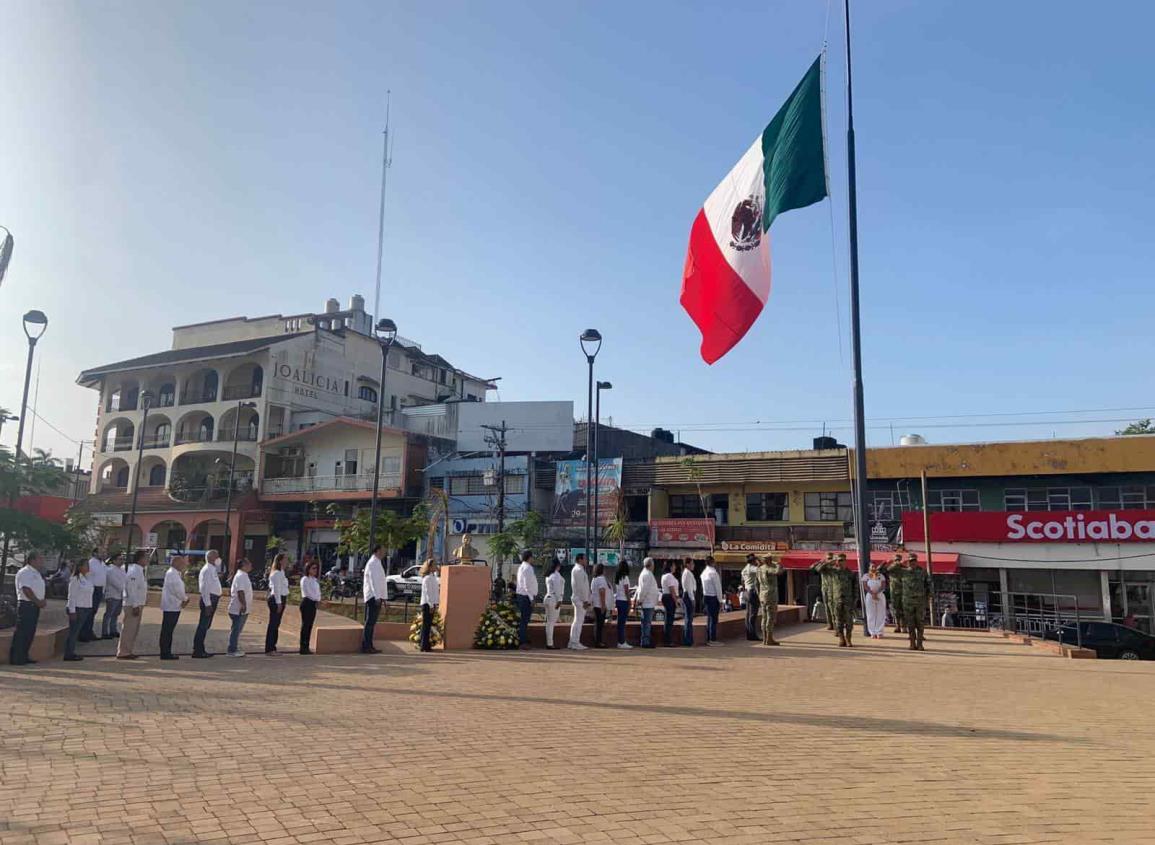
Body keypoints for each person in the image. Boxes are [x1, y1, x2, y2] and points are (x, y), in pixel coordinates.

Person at [9, 551, 47, 666]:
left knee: (30, 632)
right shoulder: (25, 572)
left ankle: (24, 655)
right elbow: (26, 589)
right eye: (40, 558)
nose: (42, 561)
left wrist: (41, 601)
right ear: (32, 560)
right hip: (27, 605)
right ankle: (17, 658)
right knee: (22, 632)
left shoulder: (36, 573)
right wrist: (37, 601)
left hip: (34, 606)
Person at [117, 550, 149, 660]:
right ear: (140, 559)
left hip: (138, 604)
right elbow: (131, 589)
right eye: (146, 557)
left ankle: (128, 650)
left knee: (133, 629)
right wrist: (135, 605)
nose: (147, 560)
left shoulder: (140, 571)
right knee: (129, 629)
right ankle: (123, 652)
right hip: (132, 605)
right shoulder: (134, 571)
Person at [193, 550, 223, 658]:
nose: (219, 559)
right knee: (203, 625)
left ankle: (200, 649)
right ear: (210, 558)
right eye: (217, 556)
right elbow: (204, 588)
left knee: (206, 625)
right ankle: (198, 650)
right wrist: (208, 604)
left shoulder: (212, 569)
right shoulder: (207, 570)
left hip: (212, 599)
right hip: (209, 600)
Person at [159, 555, 189, 660]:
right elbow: (177, 590)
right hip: (171, 605)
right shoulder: (172, 574)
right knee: (167, 630)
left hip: (173, 605)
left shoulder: (175, 573)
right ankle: (165, 652)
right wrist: (185, 599)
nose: (184, 565)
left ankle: (166, 651)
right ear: (175, 563)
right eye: (182, 563)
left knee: (168, 630)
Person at [64, 559, 94, 662]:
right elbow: (71, 596)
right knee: (73, 632)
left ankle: (71, 651)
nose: (88, 567)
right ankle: (68, 653)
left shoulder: (87, 578)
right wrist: (72, 611)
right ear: (80, 567)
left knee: (76, 631)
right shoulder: (75, 579)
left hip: (85, 607)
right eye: (86, 565)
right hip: (77, 608)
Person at [901, 553, 932, 651]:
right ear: (908, 562)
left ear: (916, 561)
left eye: (914, 561)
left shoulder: (923, 572)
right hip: (908, 602)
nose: (912, 563)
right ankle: (912, 643)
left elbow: (929, 585)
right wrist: (898, 563)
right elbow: (885, 571)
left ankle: (920, 644)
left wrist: (929, 597)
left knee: (920, 623)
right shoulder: (903, 572)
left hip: (920, 602)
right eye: (910, 561)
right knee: (910, 624)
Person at [362, 544, 386, 654]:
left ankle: (369, 645)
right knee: (370, 622)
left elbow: (380, 582)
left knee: (372, 622)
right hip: (373, 596)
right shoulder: (373, 563)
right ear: (377, 551)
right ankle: (366, 646)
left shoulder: (377, 562)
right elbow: (374, 582)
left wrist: (382, 596)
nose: (384, 552)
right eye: (383, 550)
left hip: (377, 596)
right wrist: (377, 596)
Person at [227, 557, 253, 657]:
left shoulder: (243, 575)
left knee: (237, 630)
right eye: (249, 564)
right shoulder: (241, 576)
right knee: (236, 629)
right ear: (244, 565)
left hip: (241, 609)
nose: (251, 566)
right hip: (238, 609)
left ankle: (234, 646)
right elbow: (240, 591)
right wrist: (243, 604)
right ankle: (231, 649)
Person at [265, 552, 289, 655]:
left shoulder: (281, 572)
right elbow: (276, 589)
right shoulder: (277, 573)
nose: (287, 561)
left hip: (281, 598)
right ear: (280, 560)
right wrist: (279, 603)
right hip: (276, 599)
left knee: (276, 624)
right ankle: (270, 648)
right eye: (285, 559)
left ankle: (272, 647)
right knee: (273, 624)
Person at [79, 547, 105, 642]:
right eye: (101, 552)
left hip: (99, 589)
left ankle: (89, 631)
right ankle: (83, 633)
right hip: (92, 589)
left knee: (93, 612)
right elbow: (87, 576)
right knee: (88, 612)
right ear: (95, 553)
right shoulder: (91, 563)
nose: (103, 554)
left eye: (104, 552)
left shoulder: (102, 564)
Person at [757, 554, 783, 646]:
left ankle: (764, 638)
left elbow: (757, 584)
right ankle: (769, 638)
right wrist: (779, 564)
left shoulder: (760, 569)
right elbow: (778, 572)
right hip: (770, 595)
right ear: (769, 560)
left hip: (762, 595)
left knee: (764, 617)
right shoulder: (768, 569)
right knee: (770, 617)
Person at [514, 549, 537, 650]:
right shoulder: (528, 568)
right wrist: (532, 598)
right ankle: (522, 641)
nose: (533, 559)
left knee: (524, 619)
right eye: (532, 557)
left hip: (522, 595)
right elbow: (527, 585)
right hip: (526, 596)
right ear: (529, 557)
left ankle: (523, 639)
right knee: (524, 620)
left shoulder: (521, 567)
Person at [567, 553, 591, 651]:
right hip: (580, 599)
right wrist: (585, 600)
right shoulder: (579, 570)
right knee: (578, 621)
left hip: (579, 598)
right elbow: (581, 588)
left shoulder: (578, 570)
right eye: (585, 559)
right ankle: (575, 642)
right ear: (580, 560)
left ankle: (573, 641)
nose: (586, 561)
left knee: (577, 621)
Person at [635, 558, 660, 649]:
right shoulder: (647, 574)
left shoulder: (647, 574)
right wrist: (640, 600)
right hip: (647, 602)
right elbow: (643, 589)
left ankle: (646, 640)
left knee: (646, 622)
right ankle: (645, 641)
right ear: (650, 565)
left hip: (648, 602)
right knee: (646, 623)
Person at [101, 552, 126, 640]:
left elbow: (125, 581)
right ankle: (105, 632)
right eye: (120, 559)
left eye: (123, 559)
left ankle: (113, 630)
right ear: (114, 560)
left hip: (120, 596)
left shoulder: (122, 570)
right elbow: (114, 583)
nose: (122, 561)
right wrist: (124, 589)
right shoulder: (110, 570)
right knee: (109, 614)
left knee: (116, 614)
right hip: (112, 595)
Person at [299, 560, 321, 655]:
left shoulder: (315, 580)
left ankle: (306, 646)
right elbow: (308, 592)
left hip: (313, 603)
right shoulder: (305, 579)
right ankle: (303, 646)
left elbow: (317, 592)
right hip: (307, 602)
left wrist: (318, 599)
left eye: (316, 568)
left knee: (309, 625)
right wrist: (316, 598)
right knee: (305, 625)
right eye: (313, 568)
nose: (315, 570)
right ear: (308, 569)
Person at [700, 556, 723, 646]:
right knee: (713, 619)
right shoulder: (713, 573)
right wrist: (720, 600)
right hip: (713, 597)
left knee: (709, 618)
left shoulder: (704, 573)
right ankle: (712, 639)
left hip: (706, 595)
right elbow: (718, 587)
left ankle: (709, 638)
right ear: (713, 562)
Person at [862, 561, 888, 639]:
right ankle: (872, 632)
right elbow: (865, 586)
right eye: (872, 566)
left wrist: (877, 593)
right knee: (871, 614)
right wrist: (872, 593)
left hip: (879, 595)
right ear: (869, 568)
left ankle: (879, 631)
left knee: (880, 613)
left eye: (874, 566)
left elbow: (883, 585)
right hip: (870, 595)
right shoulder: (866, 576)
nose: (873, 568)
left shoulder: (881, 576)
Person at [418, 559, 440, 653]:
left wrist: (435, 603)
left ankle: (426, 645)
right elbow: (427, 593)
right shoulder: (427, 578)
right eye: (434, 565)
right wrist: (431, 605)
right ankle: (423, 645)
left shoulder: (433, 577)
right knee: (425, 625)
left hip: (432, 604)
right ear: (430, 567)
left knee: (428, 625)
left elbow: (435, 592)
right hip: (427, 604)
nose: (436, 566)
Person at [543, 560, 564, 650]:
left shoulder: (549, 575)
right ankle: (550, 643)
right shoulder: (556, 575)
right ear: (557, 566)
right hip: (553, 599)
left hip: (548, 598)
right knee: (551, 622)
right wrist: (559, 600)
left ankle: (549, 642)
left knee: (549, 622)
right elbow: (557, 589)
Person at [613, 560, 633, 650]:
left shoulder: (617, 577)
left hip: (618, 600)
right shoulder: (625, 577)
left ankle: (620, 641)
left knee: (620, 622)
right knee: (622, 623)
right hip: (624, 601)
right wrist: (629, 601)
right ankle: (622, 642)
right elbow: (626, 591)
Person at [590, 563, 610, 648]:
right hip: (600, 604)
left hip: (595, 604)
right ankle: (599, 642)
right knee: (600, 625)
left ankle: (597, 641)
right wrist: (603, 604)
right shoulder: (602, 579)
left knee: (598, 624)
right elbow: (602, 591)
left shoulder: (594, 579)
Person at [660, 561, 680, 647]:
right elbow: (672, 589)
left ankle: (667, 639)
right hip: (669, 597)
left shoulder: (664, 576)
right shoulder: (669, 576)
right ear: (670, 567)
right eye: (674, 566)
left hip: (666, 596)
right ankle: (668, 640)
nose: (675, 567)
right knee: (669, 620)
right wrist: (676, 601)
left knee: (668, 619)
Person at [885, 554, 906, 633]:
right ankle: (898, 626)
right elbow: (886, 570)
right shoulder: (891, 568)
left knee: (903, 609)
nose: (898, 561)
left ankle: (904, 626)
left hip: (903, 591)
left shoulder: (903, 568)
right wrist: (894, 564)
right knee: (896, 610)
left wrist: (901, 565)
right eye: (896, 560)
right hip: (894, 592)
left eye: (899, 560)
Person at [680, 558, 697, 646]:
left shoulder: (688, 573)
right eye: (692, 563)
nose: (693, 565)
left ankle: (689, 639)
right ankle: (687, 640)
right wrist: (692, 599)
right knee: (688, 619)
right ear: (687, 564)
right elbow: (689, 588)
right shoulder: (687, 573)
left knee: (689, 619)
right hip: (688, 596)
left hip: (689, 595)